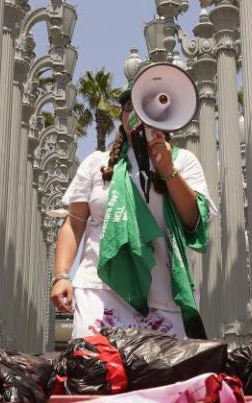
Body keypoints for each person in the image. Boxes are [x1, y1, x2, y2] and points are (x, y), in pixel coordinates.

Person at [50, 87, 215, 340]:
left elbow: (194, 221)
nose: (135, 115)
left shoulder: (184, 161)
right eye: (129, 109)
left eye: (145, 109)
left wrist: (168, 170)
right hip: (99, 290)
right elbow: (75, 225)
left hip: (163, 297)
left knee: (162, 379)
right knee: (98, 373)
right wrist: (61, 276)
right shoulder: (97, 163)